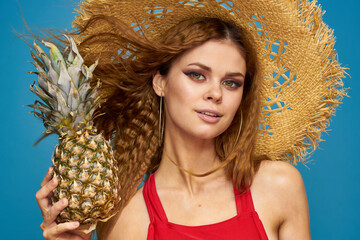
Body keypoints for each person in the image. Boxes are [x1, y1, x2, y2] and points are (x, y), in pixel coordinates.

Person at [35, 0, 346, 239]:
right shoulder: (127, 215)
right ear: (161, 82)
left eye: (231, 82)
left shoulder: (278, 185)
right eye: (197, 75)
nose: (215, 93)